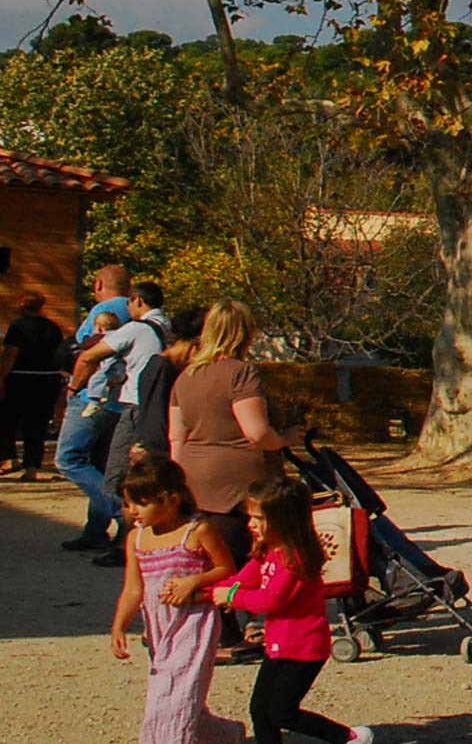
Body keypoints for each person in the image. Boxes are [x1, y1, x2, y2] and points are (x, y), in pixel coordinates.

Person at [217, 477, 373, 743]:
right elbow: (243, 578)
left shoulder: (295, 559)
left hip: (304, 648)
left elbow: (270, 601)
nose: (250, 524)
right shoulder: (270, 551)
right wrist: (205, 592)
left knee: (281, 712)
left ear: (283, 520)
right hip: (279, 646)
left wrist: (232, 596)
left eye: (258, 518)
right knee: (260, 711)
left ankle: (347, 737)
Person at [108, 456, 240, 744]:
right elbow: (133, 588)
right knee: (175, 693)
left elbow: (227, 569)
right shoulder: (136, 539)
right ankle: (226, 735)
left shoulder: (197, 531)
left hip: (194, 624)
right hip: (159, 628)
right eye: (129, 504)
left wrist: (194, 581)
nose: (133, 511)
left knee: (173, 697)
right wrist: (119, 626)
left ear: (170, 499)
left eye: (141, 503)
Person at [172, 302, 300, 596]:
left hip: (194, 476)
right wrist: (284, 438)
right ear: (245, 334)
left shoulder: (186, 376)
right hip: (237, 481)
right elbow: (256, 433)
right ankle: (239, 625)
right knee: (242, 559)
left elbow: (176, 438)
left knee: (208, 558)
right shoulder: (241, 374)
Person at [66, 280, 171, 559]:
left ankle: (126, 542)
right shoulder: (169, 328)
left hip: (134, 405)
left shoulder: (136, 329)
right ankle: (113, 533)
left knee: (117, 476)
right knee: (146, 472)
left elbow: (92, 354)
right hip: (159, 407)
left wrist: (75, 386)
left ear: (137, 300)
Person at [55, 267, 136, 548]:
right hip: (119, 400)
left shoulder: (103, 311)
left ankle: (124, 513)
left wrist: (74, 387)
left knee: (69, 459)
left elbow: (88, 354)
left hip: (93, 397)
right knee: (103, 464)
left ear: (99, 284)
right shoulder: (132, 313)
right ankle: (95, 531)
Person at [0, 295, 68, 481]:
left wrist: (0, 378)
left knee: (7, 420)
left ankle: (8, 458)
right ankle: (32, 467)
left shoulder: (18, 326)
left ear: (21, 305)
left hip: (21, 377)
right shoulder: (52, 327)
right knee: (37, 425)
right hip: (47, 379)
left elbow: (10, 353)